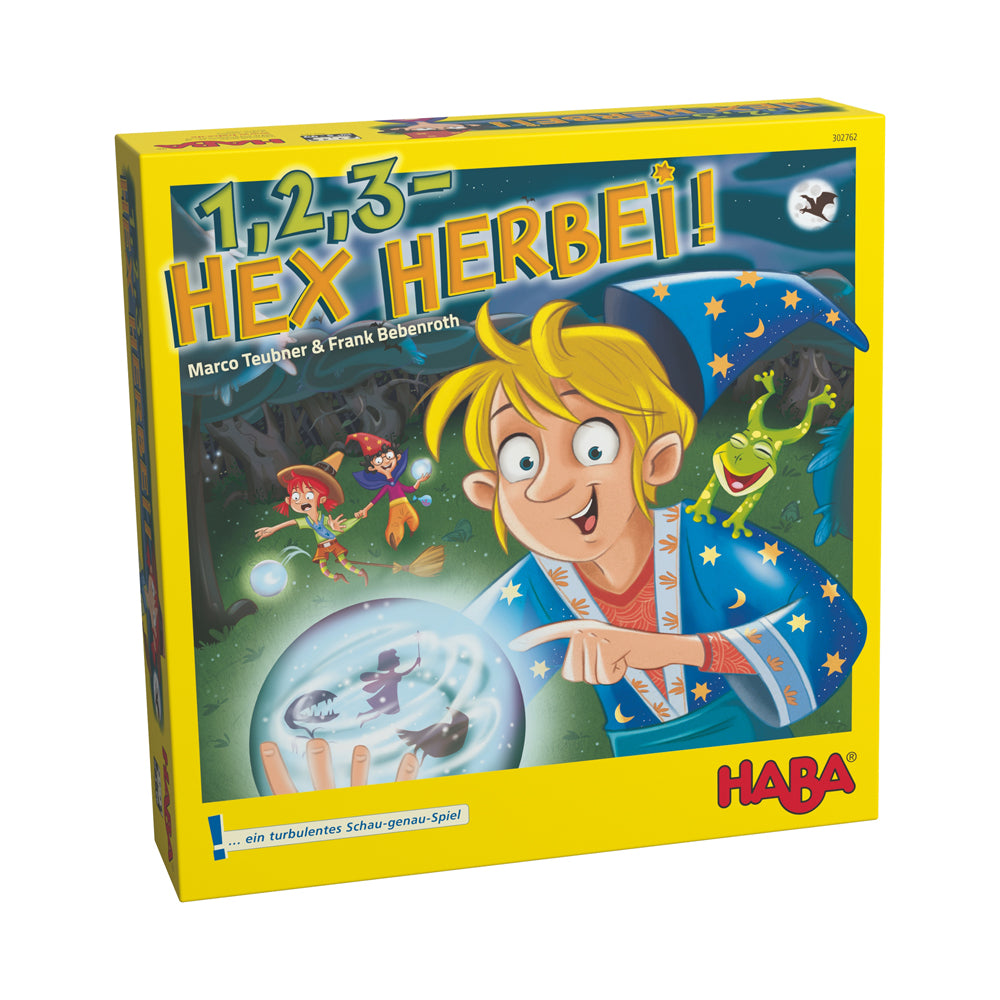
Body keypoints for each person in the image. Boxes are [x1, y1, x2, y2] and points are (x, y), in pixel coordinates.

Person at [423, 294, 867, 756]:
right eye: (522, 461)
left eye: (593, 448)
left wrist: (674, 650)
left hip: (746, 762)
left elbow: (833, 619)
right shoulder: (538, 584)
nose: (548, 487)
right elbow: (457, 678)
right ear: (488, 492)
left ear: (659, 459)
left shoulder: (702, 539)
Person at [254, 452, 367, 584]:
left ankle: (361, 573)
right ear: (289, 501)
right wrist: (273, 529)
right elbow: (291, 522)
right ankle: (336, 576)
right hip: (322, 546)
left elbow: (341, 525)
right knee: (323, 568)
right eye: (296, 497)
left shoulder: (323, 519)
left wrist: (340, 524)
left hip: (333, 543)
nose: (302, 501)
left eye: (309, 496)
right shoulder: (307, 521)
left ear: (322, 499)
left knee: (344, 561)